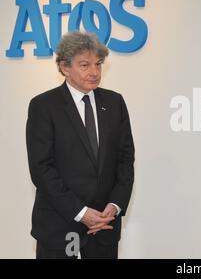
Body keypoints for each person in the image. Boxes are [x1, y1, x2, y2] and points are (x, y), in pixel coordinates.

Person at [26, 31, 135, 259]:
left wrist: (115, 206)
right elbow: (42, 169)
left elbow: (125, 160)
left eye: (98, 64)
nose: (94, 72)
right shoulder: (43, 106)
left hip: (104, 227)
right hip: (60, 225)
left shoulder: (115, 103)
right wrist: (81, 212)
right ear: (65, 68)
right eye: (85, 65)